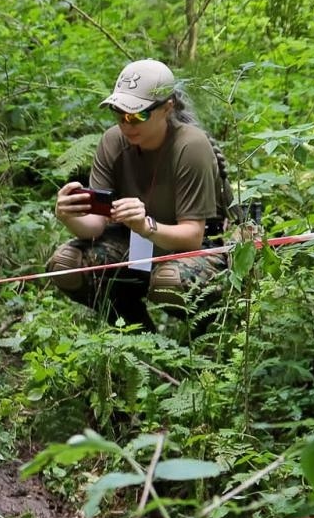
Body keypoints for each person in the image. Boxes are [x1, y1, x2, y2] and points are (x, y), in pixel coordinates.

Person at [47, 59, 232, 329]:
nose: (127, 124)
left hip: (199, 248)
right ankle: (136, 334)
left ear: (167, 108)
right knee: (67, 264)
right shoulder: (113, 141)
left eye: (138, 115)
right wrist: (67, 215)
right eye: (119, 113)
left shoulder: (190, 146)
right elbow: (95, 226)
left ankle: (208, 335)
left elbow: (192, 236)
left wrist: (146, 226)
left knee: (169, 282)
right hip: (135, 243)